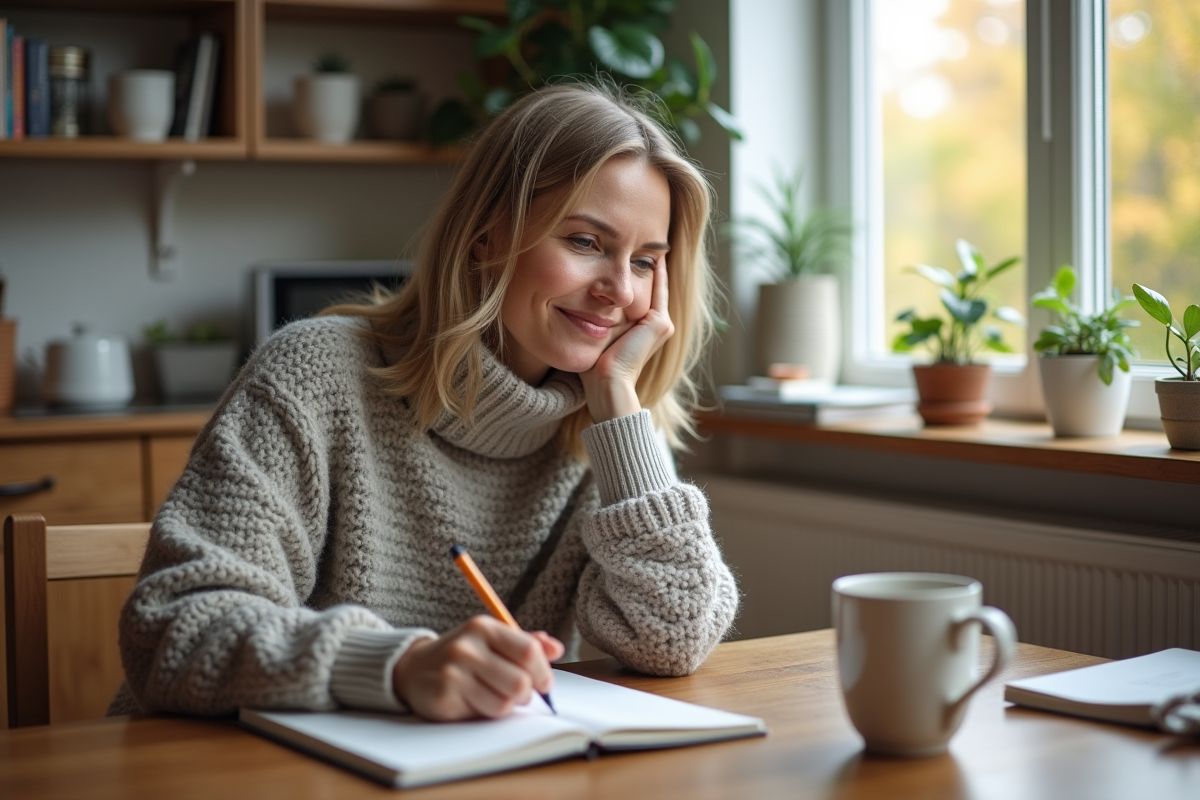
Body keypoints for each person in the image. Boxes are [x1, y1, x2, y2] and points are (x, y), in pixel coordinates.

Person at [110, 82, 738, 723]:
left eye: (645, 262)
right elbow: (173, 627)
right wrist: (394, 666)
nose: (620, 291)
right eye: (585, 242)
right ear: (486, 234)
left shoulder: (610, 427)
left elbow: (674, 639)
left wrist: (621, 413)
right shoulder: (314, 375)